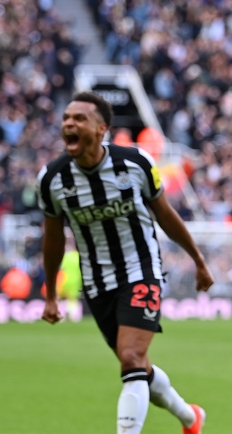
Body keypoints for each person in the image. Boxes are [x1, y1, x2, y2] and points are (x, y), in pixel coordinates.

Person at [38, 92, 214, 434]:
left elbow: (165, 215)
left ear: (101, 128)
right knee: (137, 366)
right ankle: (191, 418)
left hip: (141, 270)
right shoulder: (53, 179)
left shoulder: (135, 163)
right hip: (97, 282)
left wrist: (198, 259)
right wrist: (51, 295)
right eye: (66, 118)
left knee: (131, 359)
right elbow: (53, 239)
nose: (69, 123)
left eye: (79, 118)